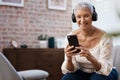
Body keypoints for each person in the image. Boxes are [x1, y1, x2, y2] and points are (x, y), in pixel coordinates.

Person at [61, 2, 119, 80]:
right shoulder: (70, 37)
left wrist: (90, 57)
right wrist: (68, 58)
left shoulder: (105, 37)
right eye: (78, 17)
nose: (82, 20)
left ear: (93, 16)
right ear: (75, 18)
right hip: (81, 71)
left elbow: (105, 70)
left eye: (86, 16)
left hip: (104, 71)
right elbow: (71, 69)